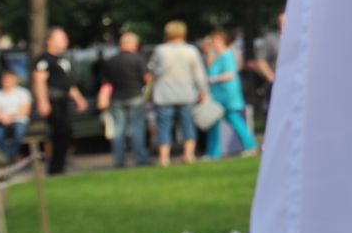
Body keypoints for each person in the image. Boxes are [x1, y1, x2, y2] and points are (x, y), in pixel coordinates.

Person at [148, 20, 210, 166]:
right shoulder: (191, 50)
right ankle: (188, 154)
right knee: (188, 123)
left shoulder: (160, 50)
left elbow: (153, 70)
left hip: (165, 93)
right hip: (186, 92)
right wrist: (203, 90)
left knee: (164, 125)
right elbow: (199, 74)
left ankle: (164, 158)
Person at [32, 27, 89, 176]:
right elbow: (39, 81)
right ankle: (54, 168)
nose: (66, 41)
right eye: (62, 38)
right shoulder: (44, 59)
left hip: (64, 101)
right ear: (50, 41)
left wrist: (79, 99)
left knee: (66, 132)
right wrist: (43, 102)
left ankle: (60, 165)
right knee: (59, 132)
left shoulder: (63, 60)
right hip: (53, 101)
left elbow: (68, 84)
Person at [97, 32, 150, 168]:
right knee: (137, 128)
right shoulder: (138, 59)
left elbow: (106, 83)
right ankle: (140, 158)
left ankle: (119, 159)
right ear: (133, 44)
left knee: (118, 130)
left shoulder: (111, 61)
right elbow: (146, 79)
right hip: (135, 96)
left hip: (117, 98)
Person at [203, 29, 257, 158]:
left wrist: (213, 79)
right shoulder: (218, 57)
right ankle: (213, 152)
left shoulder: (227, 56)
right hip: (219, 94)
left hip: (227, 94)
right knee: (216, 123)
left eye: (215, 41)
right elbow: (209, 68)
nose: (213, 43)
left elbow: (230, 74)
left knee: (233, 119)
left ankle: (250, 145)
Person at [0, 69, 33, 167]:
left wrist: (10, 117)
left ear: (15, 80)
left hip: (19, 121)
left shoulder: (23, 93)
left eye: (8, 79)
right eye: (4, 79)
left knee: (18, 131)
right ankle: (11, 157)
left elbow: (25, 111)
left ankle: (8, 157)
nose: (5, 81)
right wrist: (2, 118)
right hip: (1, 121)